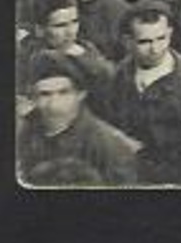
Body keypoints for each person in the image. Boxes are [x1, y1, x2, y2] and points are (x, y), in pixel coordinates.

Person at [104, 0, 181, 184]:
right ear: (128, 42)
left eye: (162, 38)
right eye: (145, 42)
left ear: (170, 33)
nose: (155, 49)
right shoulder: (120, 76)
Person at [17, 50, 140, 185]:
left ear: (81, 94)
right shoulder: (23, 133)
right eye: (45, 94)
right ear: (33, 97)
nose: (54, 104)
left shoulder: (109, 148)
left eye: (64, 92)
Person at [15, 0, 116, 110]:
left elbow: (112, 83)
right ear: (40, 30)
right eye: (60, 25)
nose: (71, 32)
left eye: (74, 22)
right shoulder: (28, 57)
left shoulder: (86, 48)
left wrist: (84, 58)